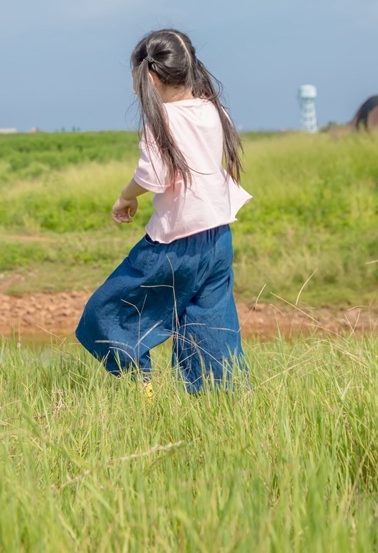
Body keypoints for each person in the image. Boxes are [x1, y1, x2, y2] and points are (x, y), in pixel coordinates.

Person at [75, 29, 252, 393]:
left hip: (175, 245)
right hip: (218, 239)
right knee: (210, 328)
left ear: (151, 76)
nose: (136, 89)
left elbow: (154, 176)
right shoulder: (213, 109)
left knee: (105, 313)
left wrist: (125, 197)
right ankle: (221, 402)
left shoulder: (162, 120)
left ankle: (142, 383)